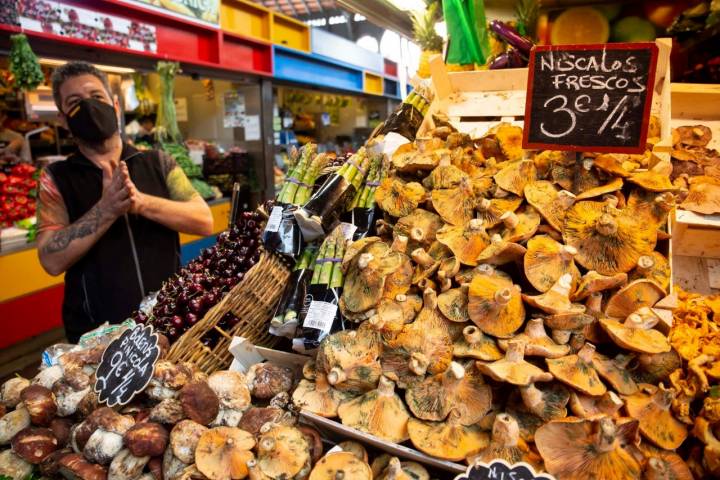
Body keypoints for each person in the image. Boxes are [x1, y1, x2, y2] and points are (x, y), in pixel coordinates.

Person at [37, 61, 214, 342]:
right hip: (97, 335)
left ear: (115, 105)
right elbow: (50, 259)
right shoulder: (56, 178)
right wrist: (106, 209)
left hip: (168, 321)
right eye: (75, 102)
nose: (89, 107)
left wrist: (140, 203)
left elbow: (203, 220)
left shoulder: (157, 162)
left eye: (97, 97)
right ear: (62, 118)